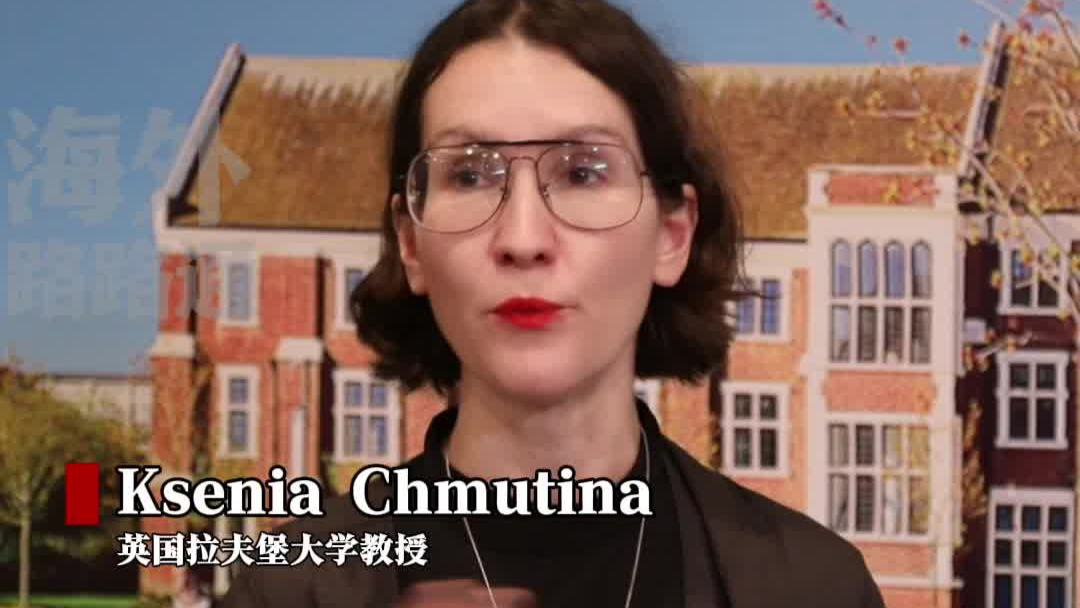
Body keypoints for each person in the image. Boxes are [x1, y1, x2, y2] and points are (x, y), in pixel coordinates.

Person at [221, 0, 887, 606]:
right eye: (470, 174)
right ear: (411, 243)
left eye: (583, 172)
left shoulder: (812, 588)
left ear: (672, 235)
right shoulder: (286, 591)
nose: (523, 239)